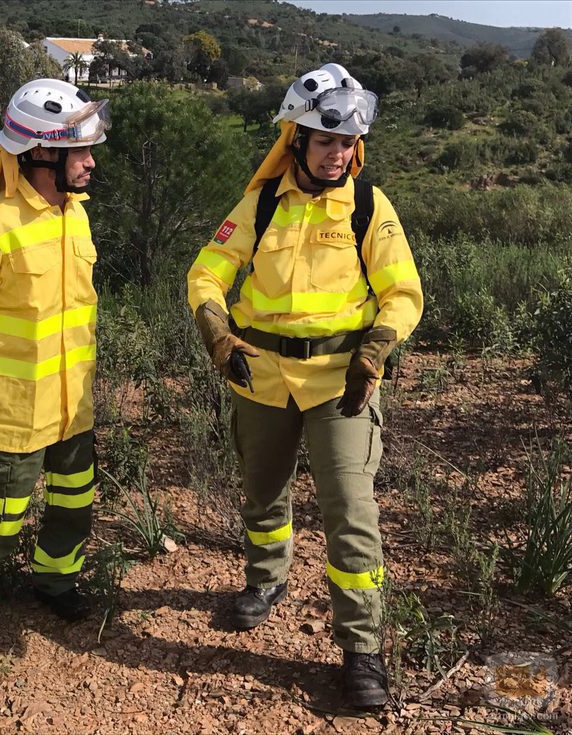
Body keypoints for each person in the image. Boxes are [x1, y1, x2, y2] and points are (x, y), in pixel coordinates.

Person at [187, 64, 423, 709]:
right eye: (325, 142)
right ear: (296, 139)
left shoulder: (370, 206)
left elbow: (403, 292)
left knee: (351, 513)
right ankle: (265, 581)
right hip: (260, 374)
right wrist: (217, 329)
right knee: (263, 494)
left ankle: (362, 649)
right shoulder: (260, 202)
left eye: (346, 143)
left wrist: (377, 346)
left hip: (343, 382)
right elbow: (208, 272)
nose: (337, 154)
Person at [0, 78, 109, 673]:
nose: (90, 162)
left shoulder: (74, 218)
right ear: (41, 154)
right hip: (9, 409)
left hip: (71, 405)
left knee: (72, 504)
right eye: (79, 151)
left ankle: (55, 583)